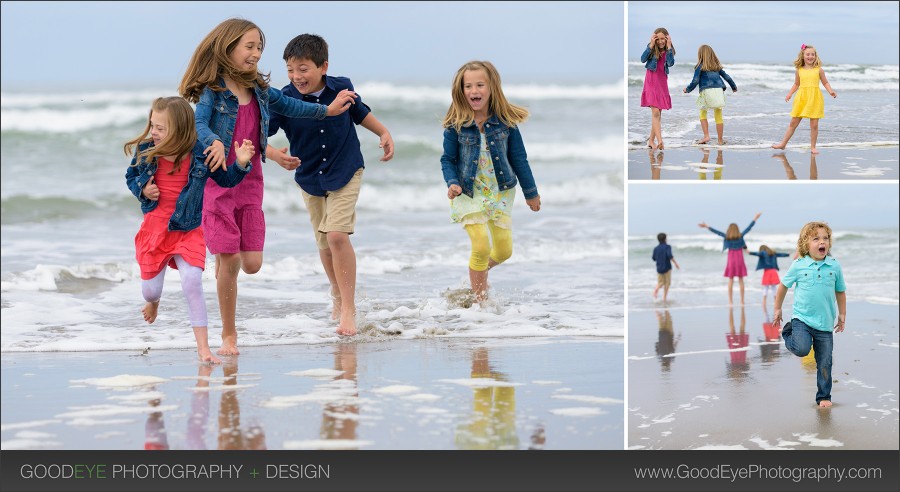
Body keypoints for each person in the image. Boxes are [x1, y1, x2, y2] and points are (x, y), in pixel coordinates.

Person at [178, 18, 357, 354]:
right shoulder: (211, 92)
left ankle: (224, 265)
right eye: (250, 46)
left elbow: (292, 105)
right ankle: (228, 335)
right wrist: (214, 141)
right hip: (218, 185)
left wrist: (327, 110)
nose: (257, 53)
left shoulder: (259, 91)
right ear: (227, 47)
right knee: (229, 260)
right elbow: (199, 122)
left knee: (252, 264)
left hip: (249, 185)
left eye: (259, 47)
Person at [267, 34, 394, 336]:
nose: (296, 76)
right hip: (309, 177)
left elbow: (360, 114)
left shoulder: (341, 87)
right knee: (324, 242)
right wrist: (274, 156)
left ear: (323, 66)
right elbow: (260, 135)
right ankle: (336, 292)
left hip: (345, 169)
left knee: (336, 235)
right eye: (290, 69)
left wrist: (383, 132)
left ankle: (348, 310)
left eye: (303, 68)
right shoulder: (284, 99)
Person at [125, 96, 255, 364]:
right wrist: (143, 190)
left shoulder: (201, 153)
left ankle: (203, 349)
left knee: (192, 281)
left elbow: (226, 180)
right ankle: (153, 302)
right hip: (156, 229)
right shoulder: (147, 150)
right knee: (150, 291)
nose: (154, 132)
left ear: (181, 128)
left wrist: (240, 163)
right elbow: (131, 177)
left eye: (161, 127)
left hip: (189, 229)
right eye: (153, 125)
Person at [440, 61, 541, 303]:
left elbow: (519, 159)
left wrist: (531, 193)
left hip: (499, 193)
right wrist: (452, 182)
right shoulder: (455, 126)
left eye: (480, 85)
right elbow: (447, 159)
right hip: (468, 193)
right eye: (468, 86)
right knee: (481, 246)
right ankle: (480, 304)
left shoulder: (506, 123)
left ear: (492, 87)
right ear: (461, 90)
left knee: (505, 251)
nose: (474, 90)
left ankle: (477, 273)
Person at [772, 222, 846, 408]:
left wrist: (842, 314)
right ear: (806, 244)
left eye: (825, 238)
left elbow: (840, 291)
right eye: (816, 238)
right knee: (802, 349)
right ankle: (788, 332)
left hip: (825, 323)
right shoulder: (798, 265)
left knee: (825, 362)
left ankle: (823, 397)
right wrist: (778, 308)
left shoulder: (834, 266)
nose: (822, 242)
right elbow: (783, 286)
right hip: (802, 319)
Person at [771, 44, 837, 154]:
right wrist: (789, 94)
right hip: (802, 98)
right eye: (808, 54)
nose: (810, 56)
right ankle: (783, 144)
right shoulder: (799, 70)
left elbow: (825, 82)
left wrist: (830, 91)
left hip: (815, 98)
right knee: (793, 123)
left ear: (815, 56)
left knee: (814, 125)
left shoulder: (819, 70)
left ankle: (813, 147)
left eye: (812, 54)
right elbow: (796, 84)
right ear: (803, 55)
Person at [698, 212, 762, 305]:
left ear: (729, 230)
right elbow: (749, 228)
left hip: (731, 259)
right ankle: (742, 301)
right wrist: (755, 218)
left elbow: (717, 232)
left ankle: (730, 301)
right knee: (741, 280)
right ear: (737, 229)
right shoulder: (740, 236)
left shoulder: (727, 237)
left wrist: (707, 226)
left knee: (731, 279)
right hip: (740, 258)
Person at [683, 44, 737, 145]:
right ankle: (720, 140)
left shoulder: (700, 66)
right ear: (712, 54)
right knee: (718, 115)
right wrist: (733, 87)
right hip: (718, 91)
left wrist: (688, 89)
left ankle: (706, 136)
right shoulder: (717, 67)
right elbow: (728, 78)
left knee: (703, 113)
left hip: (706, 91)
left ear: (700, 55)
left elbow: (695, 81)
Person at [640, 28, 675, 151]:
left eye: (663, 39)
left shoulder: (669, 51)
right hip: (651, 82)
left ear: (667, 39)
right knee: (655, 113)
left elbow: (670, 63)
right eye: (658, 39)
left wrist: (669, 47)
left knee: (658, 114)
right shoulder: (651, 48)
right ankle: (660, 141)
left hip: (662, 84)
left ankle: (651, 141)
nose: (660, 42)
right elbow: (643, 59)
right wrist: (651, 44)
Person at [652, 232, 680, 303]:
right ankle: (664, 298)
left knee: (660, 283)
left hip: (659, 268)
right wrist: (676, 263)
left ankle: (656, 290)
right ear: (665, 239)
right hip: (667, 268)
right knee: (667, 283)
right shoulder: (668, 247)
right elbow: (670, 256)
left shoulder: (656, 248)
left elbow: (653, 258)